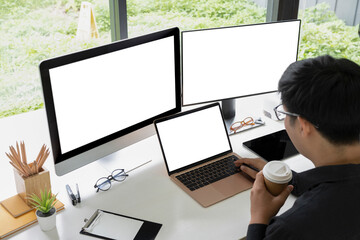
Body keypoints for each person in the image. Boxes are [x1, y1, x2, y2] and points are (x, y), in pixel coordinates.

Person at [235, 55, 360, 240]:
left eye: (283, 112)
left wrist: (259, 218)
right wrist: (288, 180)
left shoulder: (292, 228)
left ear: (303, 125)